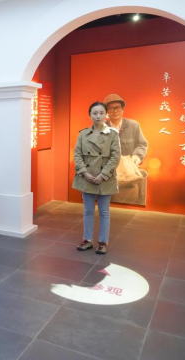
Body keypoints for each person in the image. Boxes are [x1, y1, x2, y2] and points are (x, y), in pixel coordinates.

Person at [73, 101, 121, 255]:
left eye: (101, 113)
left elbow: (115, 157)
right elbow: (77, 155)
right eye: (95, 113)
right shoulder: (83, 134)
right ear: (90, 115)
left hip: (105, 178)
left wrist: (103, 175)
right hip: (86, 177)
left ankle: (103, 242)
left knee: (104, 212)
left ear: (106, 115)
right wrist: (84, 173)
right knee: (87, 210)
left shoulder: (112, 134)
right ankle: (87, 240)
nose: (98, 116)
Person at [103, 93, 147, 165]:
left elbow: (141, 144)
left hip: (129, 168)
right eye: (111, 108)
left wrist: (137, 156)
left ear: (122, 109)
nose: (115, 111)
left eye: (118, 108)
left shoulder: (133, 125)